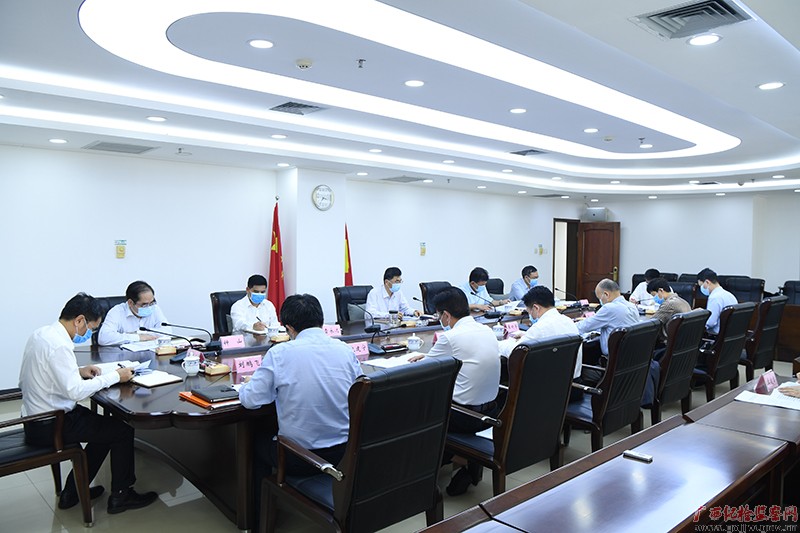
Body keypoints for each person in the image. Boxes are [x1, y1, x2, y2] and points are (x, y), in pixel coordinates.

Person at [19, 293, 158, 514]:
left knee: (105, 429)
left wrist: (78, 371)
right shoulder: (60, 345)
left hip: (36, 416)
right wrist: (115, 376)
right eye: (90, 329)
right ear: (79, 320)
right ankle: (121, 496)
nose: (89, 334)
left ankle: (73, 491)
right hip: (51, 423)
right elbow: (75, 391)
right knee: (121, 430)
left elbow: (50, 373)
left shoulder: (42, 334)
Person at [238, 294, 362, 519]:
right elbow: (358, 389)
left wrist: (249, 383)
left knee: (253, 440)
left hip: (301, 459)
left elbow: (250, 400)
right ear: (320, 321)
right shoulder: (345, 350)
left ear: (289, 328)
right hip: (344, 453)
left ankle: (256, 518)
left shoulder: (280, 353)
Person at [409, 287, 500, 496]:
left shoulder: (450, 337)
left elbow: (426, 370)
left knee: (415, 408)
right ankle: (463, 462)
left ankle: (430, 472)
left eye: (438, 315)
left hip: (463, 417)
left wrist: (422, 359)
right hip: (491, 412)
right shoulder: (486, 330)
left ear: (446, 315)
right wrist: (429, 357)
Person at [499, 286, 583, 401]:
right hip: (573, 388)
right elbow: (550, 335)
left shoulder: (540, 328)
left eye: (529, 312)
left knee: (503, 395)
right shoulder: (568, 321)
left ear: (535, 308)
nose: (530, 316)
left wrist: (498, 344)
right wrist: (526, 335)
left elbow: (516, 352)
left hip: (551, 394)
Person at [576, 279, 640, 356]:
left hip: (613, 357)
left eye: (599, 298)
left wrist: (568, 325)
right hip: (629, 355)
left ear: (606, 294)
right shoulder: (632, 306)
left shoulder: (609, 308)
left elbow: (584, 327)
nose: (600, 301)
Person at [97, 280, 170, 346]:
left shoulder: (154, 308)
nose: (149, 307)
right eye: (144, 305)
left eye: (152, 302)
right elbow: (104, 338)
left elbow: (167, 331)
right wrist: (138, 337)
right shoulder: (117, 312)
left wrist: (142, 334)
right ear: (130, 303)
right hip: (125, 355)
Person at [648, 277, 692, 349]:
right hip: (683, 344)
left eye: (654, 295)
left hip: (669, 346)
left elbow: (651, 324)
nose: (654, 298)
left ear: (660, 290)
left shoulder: (669, 304)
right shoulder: (683, 301)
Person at [697, 268, 738, 337]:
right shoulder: (730, 295)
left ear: (707, 282)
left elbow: (710, 323)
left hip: (716, 336)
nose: (701, 288)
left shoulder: (714, 297)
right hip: (730, 336)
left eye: (701, 285)